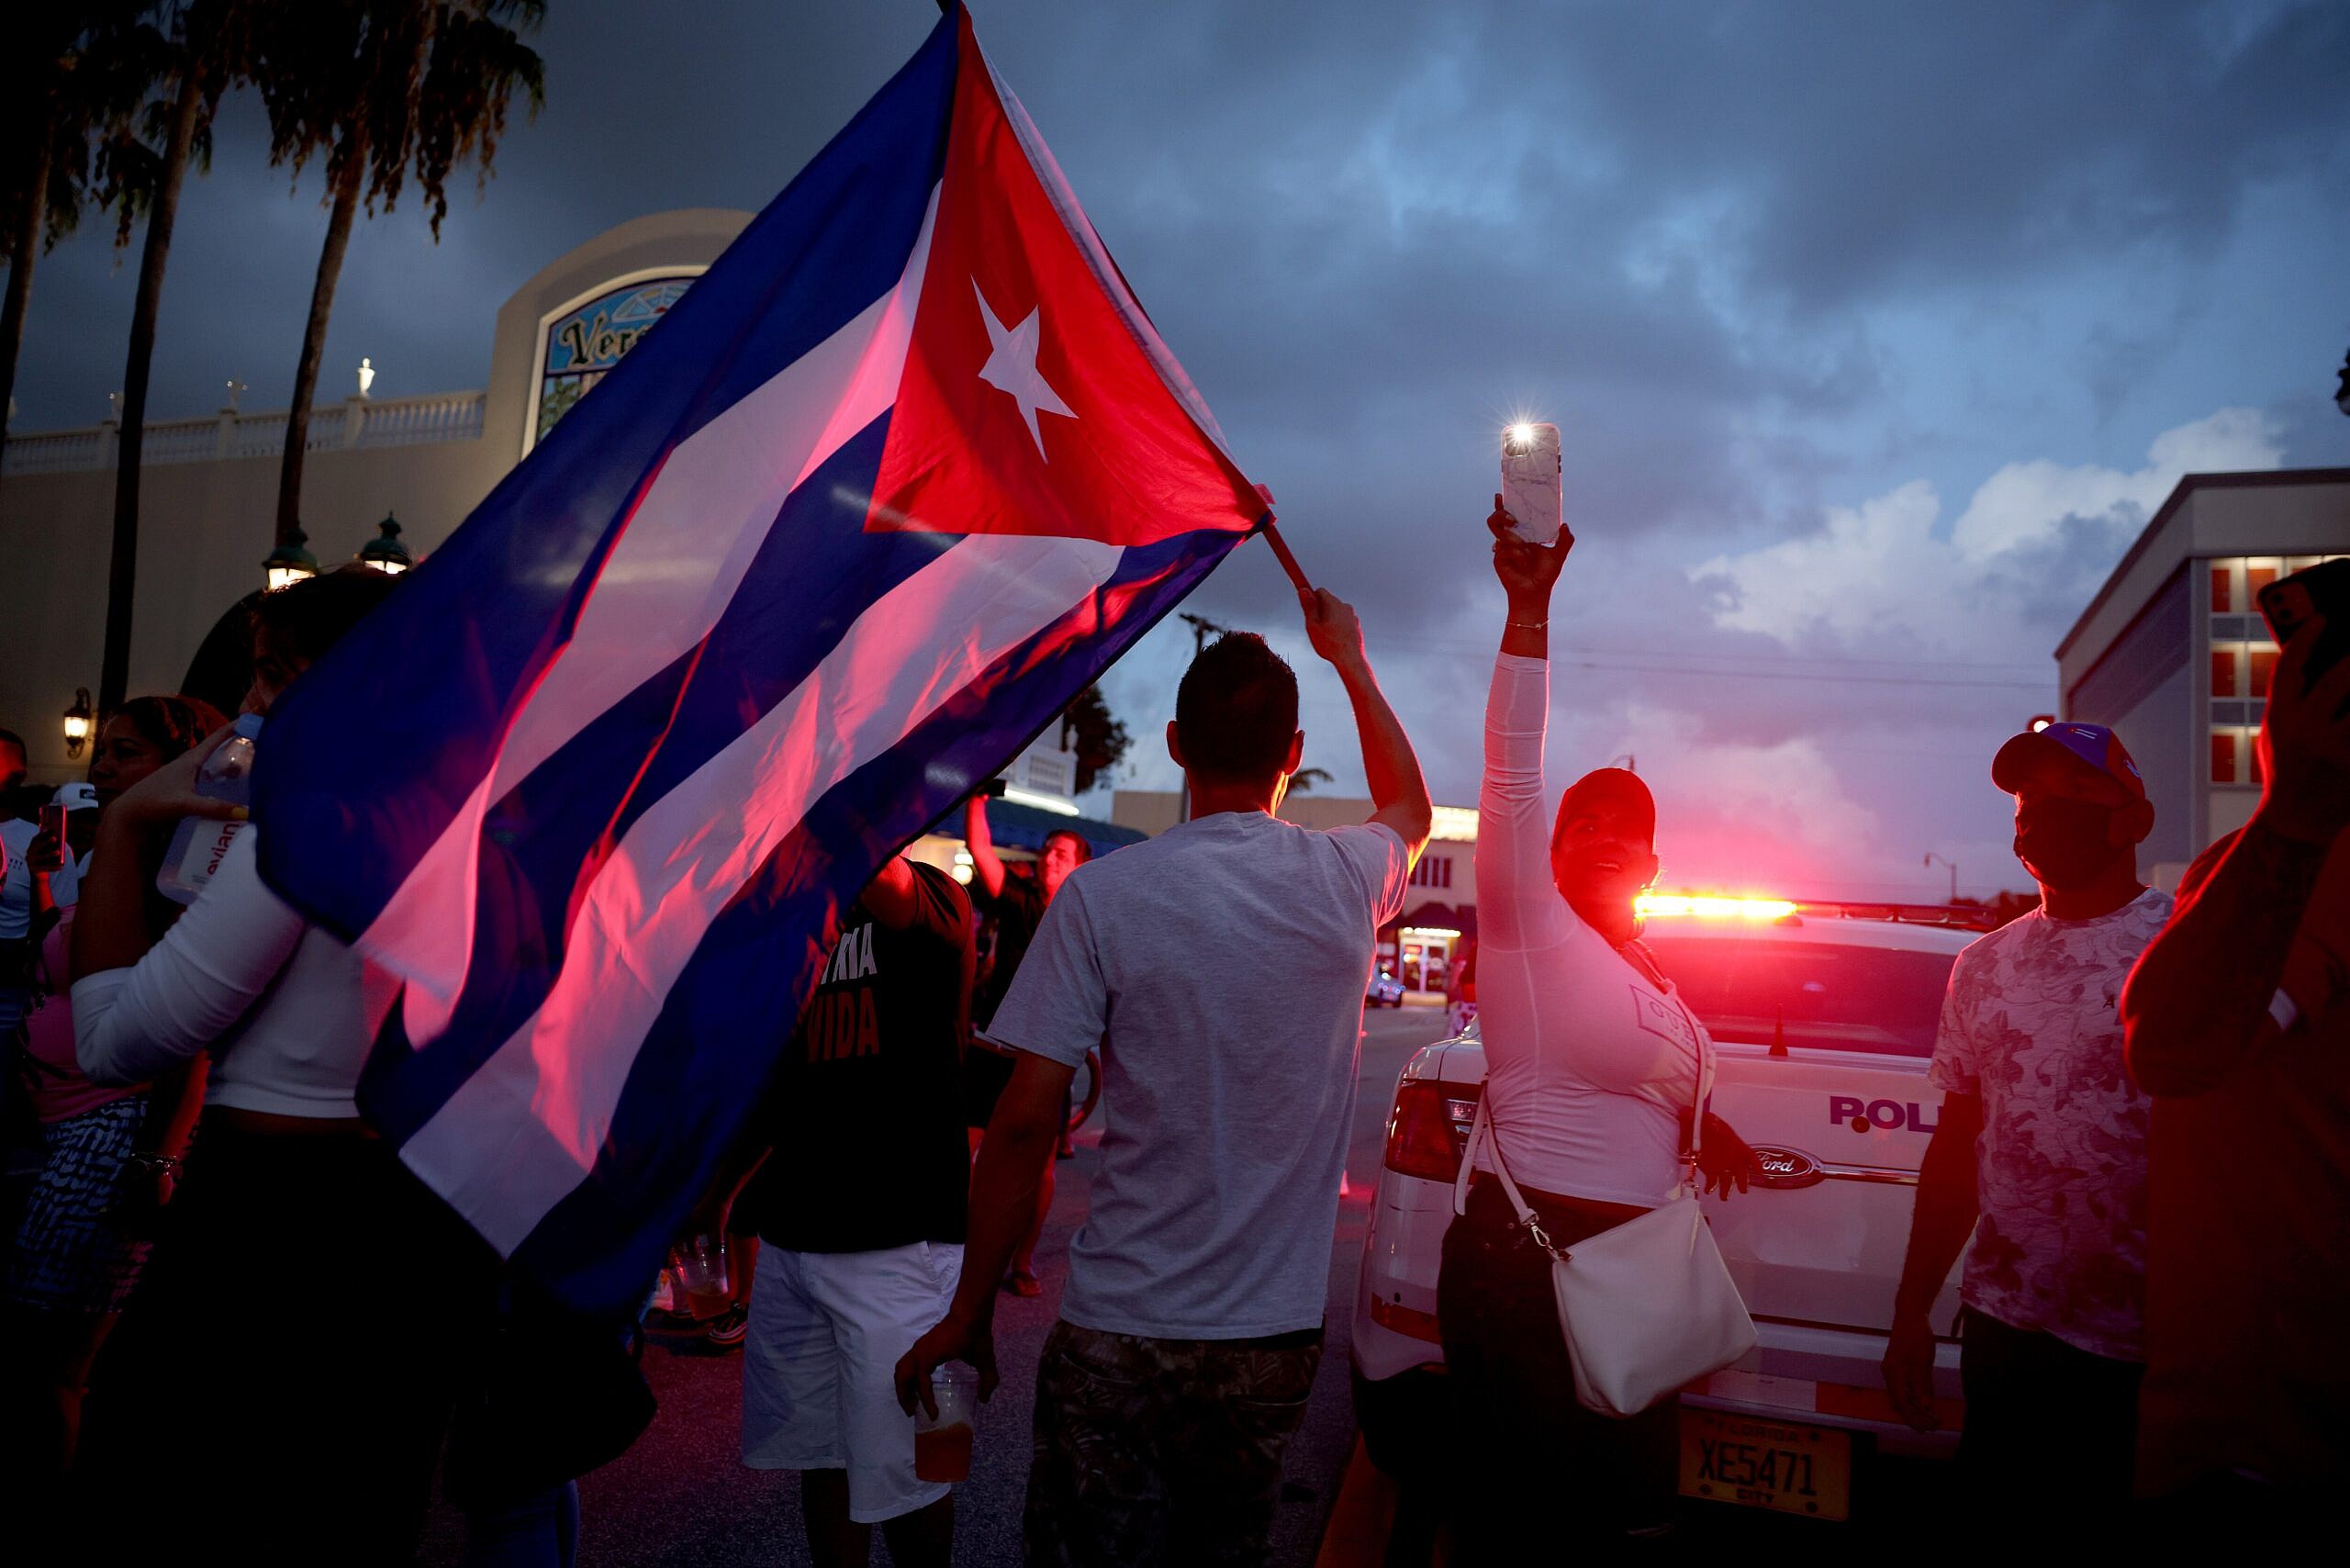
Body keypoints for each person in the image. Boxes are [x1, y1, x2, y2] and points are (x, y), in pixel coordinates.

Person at [899, 591, 1431, 1567]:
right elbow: (1411, 809)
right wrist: (1350, 656)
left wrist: (968, 1309)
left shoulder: (1104, 895)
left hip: (1118, 1328)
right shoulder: (1347, 880)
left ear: (1178, 742)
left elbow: (1022, 1125)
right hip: (1269, 1335)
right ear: (1292, 750)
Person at [67, 569, 499, 1560]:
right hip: (407, 1208)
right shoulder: (460, 810)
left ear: (346, 677)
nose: (254, 704)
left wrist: (131, 823)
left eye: (273, 675)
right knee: (349, 1502)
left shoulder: (318, 822)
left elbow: (117, 1042)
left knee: (188, 1496)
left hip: (269, 1222)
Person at [1438, 498, 1758, 1556]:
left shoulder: (1655, 974)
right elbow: (1510, 770)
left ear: (1657, 865)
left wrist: (1700, 1118)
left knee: (1628, 1521)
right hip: (1531, 1276)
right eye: (1587, 824)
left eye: (1633, 832)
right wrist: (1528, 611)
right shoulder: (1535, 939)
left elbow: (1641, 1070)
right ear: (1554, 847)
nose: (1610, 840)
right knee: (1530, 1526)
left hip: (1631, 1280)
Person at [1883, 720, 2167, 1522]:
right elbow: (1957, 1148)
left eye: (2077, 792)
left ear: (2134, 818)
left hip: (2145, 1347)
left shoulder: (2182, 946)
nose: (2046, 812)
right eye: (2030, 798)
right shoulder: (1982, 966)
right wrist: (1912, 1313)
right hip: (2004, 1331)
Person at [2121, 610, 2350, 1518]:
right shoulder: (2250, 864)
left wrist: (2296, 813)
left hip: (2266, 1438)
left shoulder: (2321, 861)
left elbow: (2175, 1048)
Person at [1, 697, 220, 1500]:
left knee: (47, 1362)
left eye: (123, 753)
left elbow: (189, 1032)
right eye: (101, 748)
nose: (99, 769)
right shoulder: (125, 855)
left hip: (110, 1129)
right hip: (63, 1123)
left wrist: (158, 1155)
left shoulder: (188, 876)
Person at [738, 855, 974, 1568]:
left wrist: (819, 756)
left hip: (898, 1243)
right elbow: (784, 1073)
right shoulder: (800, 913)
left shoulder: (933, 897)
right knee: (826, 1456)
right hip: (795, 1234)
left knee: (911, 1474)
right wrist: (722, 1192)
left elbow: (882, 864)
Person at [962, 795, 1090, 1294]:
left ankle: (1023, 1259)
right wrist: (977, 800)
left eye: (1062, 853)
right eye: (1047, 851)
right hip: (991, 1049)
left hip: (1045, 1059)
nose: (1049, 858)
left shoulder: (1085, 915)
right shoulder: (1020, 900)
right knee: (965, 1148)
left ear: (1080, 867)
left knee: (1037, 1167)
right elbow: (981, 848)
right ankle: (960, 1242)